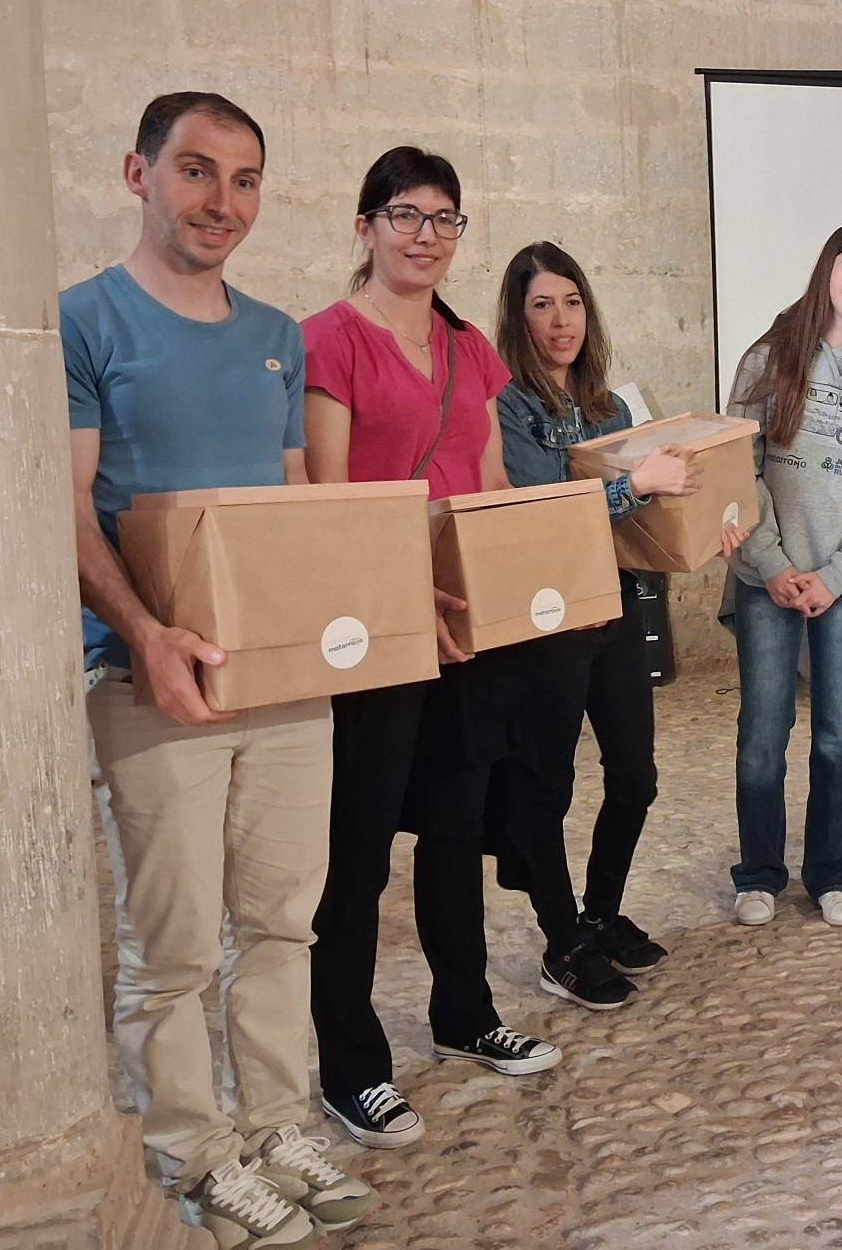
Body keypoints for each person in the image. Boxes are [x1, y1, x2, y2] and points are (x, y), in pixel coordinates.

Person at [65, 92, 374, 1248]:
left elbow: (290, 505)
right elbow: (68, 506)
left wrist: (361, 611)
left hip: (282, 679)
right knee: (176, 945)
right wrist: (147, 635)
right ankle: (194, 1155)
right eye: (196, 171)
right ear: (136, 172)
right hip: (152, 681)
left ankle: (280, 1125)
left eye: (244, 180)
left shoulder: (277, 336)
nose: (221, 201)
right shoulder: (82, 322)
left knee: (282, 921)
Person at [302, 147, 558, 1151]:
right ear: (366, 226)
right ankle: (351, 1066)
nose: (425, 235)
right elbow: (328, 501)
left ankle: (465, 1012)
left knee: (456, 830)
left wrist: (515, 586)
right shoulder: (328, 341)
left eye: (444, 219)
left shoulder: (468, 348)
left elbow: (487, 483)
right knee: (359, 853)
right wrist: (408, 589)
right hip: (373, 625)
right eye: (405, 214)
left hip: (463, 628)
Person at [489, 240, 748, 1009]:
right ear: (518, 318)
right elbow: (543, 514)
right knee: (548, 787)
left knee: (636, 777)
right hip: (550, 618)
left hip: (618, 603)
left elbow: (645, 523)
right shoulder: (509, 406)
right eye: (542, 305)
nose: (560, 320)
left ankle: (600, 915)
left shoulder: (611, 408)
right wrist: (634, 483)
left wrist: (707, 526)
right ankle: (561, 942)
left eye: (571, 302)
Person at [724, 221, 842, 928]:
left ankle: (832, 870)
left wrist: (835, 575)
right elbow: (739, 469)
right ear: (827, 270)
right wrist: (773, 563)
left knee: (839, 735)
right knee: (762, 733)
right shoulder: (768, 358)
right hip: (764, 578)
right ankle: (758, 874)